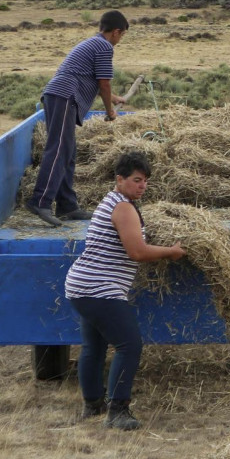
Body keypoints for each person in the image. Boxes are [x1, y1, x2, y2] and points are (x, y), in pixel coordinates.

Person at [64, 151, 186, 430]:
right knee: (129, 345)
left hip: (82, 285)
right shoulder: (123, 208)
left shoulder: (112, 201)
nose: (142, 186)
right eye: (136, 180)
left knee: (93, 346)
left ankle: (93, 405)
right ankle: (117, 412)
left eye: (145, 181)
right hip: (99, 288)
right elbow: (137, 252)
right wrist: (171, 251)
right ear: (120, 179)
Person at [26, 10, 130, 227]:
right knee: (59, 149)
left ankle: (67, 205)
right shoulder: (104, 47)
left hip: (59, 95)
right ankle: (40, 201)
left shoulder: (93, 43)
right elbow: (104, 83)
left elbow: (95, 81)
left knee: (68, 151)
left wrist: (114, 99)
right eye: (122, 35)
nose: (120, 40)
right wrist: (110, 112)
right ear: (116, 32)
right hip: (65, 96)